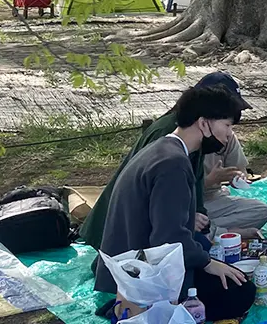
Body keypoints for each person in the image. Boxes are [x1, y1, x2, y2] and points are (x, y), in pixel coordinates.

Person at [93, 87, 254, 320]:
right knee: (240, 291)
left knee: (204, 246)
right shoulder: (173, 164)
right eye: (227, 125)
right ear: (203, 123)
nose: (229, 135)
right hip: (142, 270)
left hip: (133, 256)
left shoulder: (164, 148)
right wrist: (208, 263)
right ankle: (142, 308)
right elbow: (168, 239)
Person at [81, 72, 253, 252]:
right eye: (227, 125)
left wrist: (197, 219)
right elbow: (164, 231)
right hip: (131, 243)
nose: (229, 133)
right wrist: (204, 258)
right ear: (203, 119)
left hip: (163, 230)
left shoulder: (191, 139)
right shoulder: (170, 156)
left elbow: (191, 195)